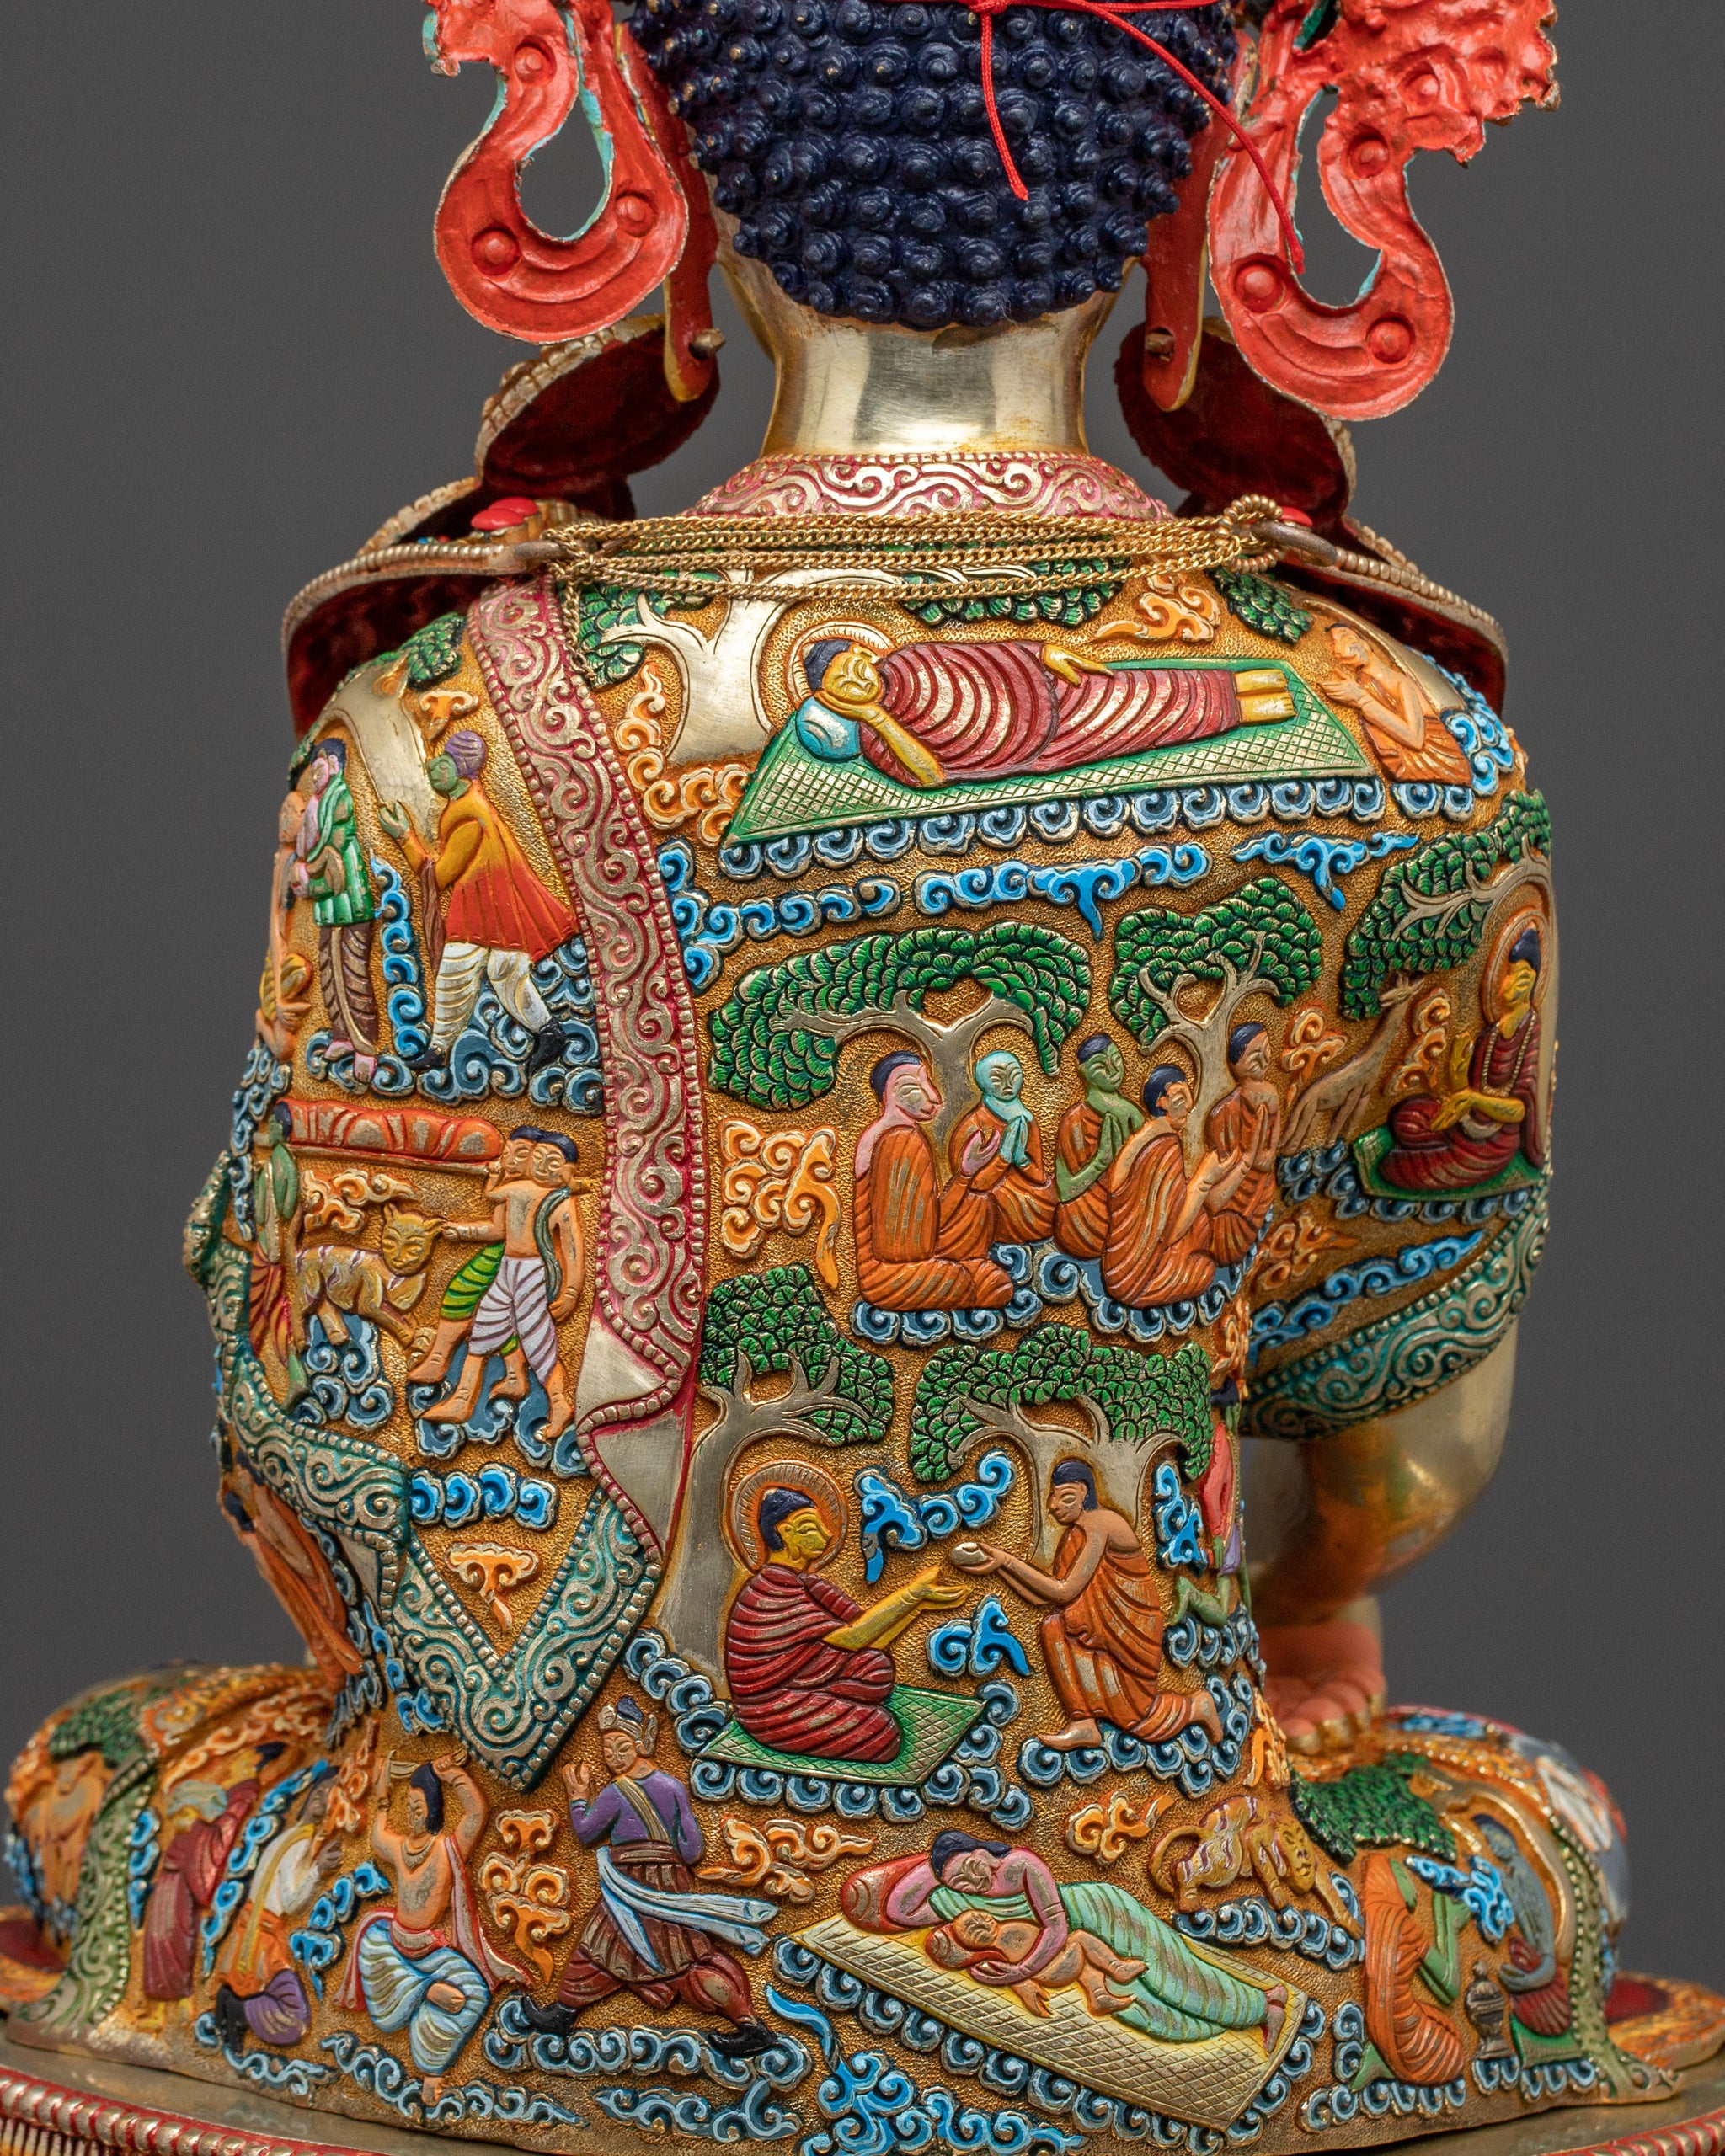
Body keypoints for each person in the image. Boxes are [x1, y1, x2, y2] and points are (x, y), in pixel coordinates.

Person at [514, 1697, 777, 2058]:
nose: (613, 1757)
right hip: (668, 1882)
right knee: (662, 1952)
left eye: (622, 1747)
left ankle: (564, 2013)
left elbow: (586, 1833)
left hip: (630, 1882)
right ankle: (748, 2023)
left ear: (641, 1744)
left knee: (604, 1945)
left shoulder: (615, 1792)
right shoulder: (673, 1787)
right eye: (608, 1749)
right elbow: (692, 1851)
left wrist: (577, 1798)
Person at [857, 1832, 1286, 2052]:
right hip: (1063, 1948)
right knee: (1141, 2009)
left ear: (983, 1850)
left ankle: (1259, 2005)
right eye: (957, 1881)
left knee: (1171, 1972)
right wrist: (936, 1865)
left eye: (972, 1866)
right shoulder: (961, 1900)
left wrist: (1022, 1970)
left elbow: (1056, 1925)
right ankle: (1224, 2023)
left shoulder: (1020, 1865)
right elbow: (900, 1910)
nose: (973, 1881)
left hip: (1099, 1912)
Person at [952, 1460, 1220, 1750]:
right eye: (1054, 1498)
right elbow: (1043, 1598)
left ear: (1084, 1493)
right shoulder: (1074, 1535)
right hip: (1101, 1628)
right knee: (1054, 1627)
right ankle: (1084, 1723)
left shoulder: (1099, 1524)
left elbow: (1065, 1591)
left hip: (1128, 1629)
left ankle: (1197, 1707)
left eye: (1066, 1498)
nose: (1054, 1506)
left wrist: (1006, 1560)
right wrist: (999, 1567)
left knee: (1138, 1715)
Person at [792, 638, 1284, 792]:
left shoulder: (911, 657)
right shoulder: (880, 744)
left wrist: (1046, 652)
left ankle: (1259, 684)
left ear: (865, 650)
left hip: (1046, 688)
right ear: (834, 702)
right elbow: (931, 775)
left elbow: (987, 654)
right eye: (842, 686)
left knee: (1150, 687)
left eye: (852, 666)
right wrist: (875, 717)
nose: (856, 681)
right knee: (1148, 723)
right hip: (1048, 744)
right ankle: (1251, 708)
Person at [378, 730, 576, 1080]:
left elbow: (439, 876)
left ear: (461, 770)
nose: (434, 768)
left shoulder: (469, 816)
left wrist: (405, 838)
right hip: (495, 903)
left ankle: (443, 1048)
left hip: (484, 907)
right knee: (503, 971)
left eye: (445, 763)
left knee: (460, 971)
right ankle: (543, 1032)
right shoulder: (464, 806)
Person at [338, 1753, 528, 2106]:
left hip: (431, 1950)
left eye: (419, 1807)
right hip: (394, 1942)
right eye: (409, 1807)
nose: (413, 1814)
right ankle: (424, 1988)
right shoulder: (401, 1848)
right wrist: (382, 1797)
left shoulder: (446, 1848)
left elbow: (476, 1814)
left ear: (434, 1811)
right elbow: (378, 1838)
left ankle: (432, 2070)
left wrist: (453, 1775)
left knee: (473, 1994)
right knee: (369, 1943)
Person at [723, 1487, 965, 1763]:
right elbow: (853, 1638)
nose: (826, 1534)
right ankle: (826, 1708)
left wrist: (917, 1607)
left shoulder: (810, 1584)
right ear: (786, 1533)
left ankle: (826, 1703)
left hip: (806, 1683)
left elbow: (867, 1637)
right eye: (810, 1527)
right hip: (769, 1707)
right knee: (881, 1734)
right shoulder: (770, 1590)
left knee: (877, 1667)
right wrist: (911, 1595)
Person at [421, 1128, 585, 1439]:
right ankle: (462, 1399)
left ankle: (559, 1403)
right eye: (539, 1158)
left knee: (536, 1338)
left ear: (567, 1171)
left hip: (533, 1274)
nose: (543, 1167)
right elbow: (493, 1201)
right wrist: (494, 1177)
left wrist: (571, 1290)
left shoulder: (560, 1204)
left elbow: (572, 1250)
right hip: (508, 1268)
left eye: (553, 1162)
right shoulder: (516, 1189)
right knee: (483, 1325)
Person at [1380, 926, 1546, 1193]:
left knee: (1395, 1166)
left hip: (1493, 1142)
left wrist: (1472, 1099)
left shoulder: (1531, 1031)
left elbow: (1520, 1110)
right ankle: (1442, 1147)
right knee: (1407, 1118)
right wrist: (1458, 1072)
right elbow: (1466, 1093)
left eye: (1514, 975)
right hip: (1466, 1124)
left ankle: (1444, 1158)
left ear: (1528, 981)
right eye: (1506, 973)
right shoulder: (1490, 1035)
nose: (1505, 982)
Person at [852, 1052, 1013, 1311]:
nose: (934, 1098)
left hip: (918, 1252)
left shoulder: (908, 1135)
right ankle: (966, 1272)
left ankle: (967, 1269)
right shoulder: (898, 1141)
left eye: (927, 1084)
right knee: (972, 1282)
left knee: (977, 1203)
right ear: (896, 1093)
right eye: (916, 1088)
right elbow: (903, 1249)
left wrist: (966, 1173)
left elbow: (927, 1221)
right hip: (888, 1275)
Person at [1097, 1067, 1250, 1309]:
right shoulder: (1163, 1148)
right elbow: (1170, 1232)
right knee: (1205, 1270)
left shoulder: (1145, 1140)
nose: (1188, 1107)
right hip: (1136, 1276)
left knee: (1202, 1223)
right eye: (1180, 1100)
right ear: (1161, 1102)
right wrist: (1204, 1180)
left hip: (1127, 1263)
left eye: (1188, 1099)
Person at [212, 1777, 344, 2051]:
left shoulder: (287, 1837)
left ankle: (231, 2001)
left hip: (249, 1928)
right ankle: (238, 2009)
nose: (322, 1796)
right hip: (264, 1938)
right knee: (295, 2017)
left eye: (330, 1794)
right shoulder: (298, 1842)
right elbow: (292, 1904)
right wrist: (318, 1871)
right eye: (320, 1790)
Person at [405, 1129, 537, 1398]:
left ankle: (439, 1358)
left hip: (518, 1258)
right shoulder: (509, 1185)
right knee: (501, 1314)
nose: (510, 1160)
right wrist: (462, 1231)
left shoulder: (526, 1190)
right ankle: (514, 1374)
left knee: (461, 1292)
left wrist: (464, 1231)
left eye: (521, 1155)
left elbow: (499, 1232)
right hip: (507, 1253)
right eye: (508, 1153)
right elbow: (497, 1227)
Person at [142, 1748, 283, 1999]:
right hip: (167, 1896)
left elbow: (205, 1880)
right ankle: (164, 1995)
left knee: (176, 1942)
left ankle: (176, 1993)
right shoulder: (186, 1837)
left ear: (199, 1810)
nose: (178, 1822)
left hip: (181, 1901)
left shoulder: (205, 1832)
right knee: (160, 1941)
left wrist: (245, 1787)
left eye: (184, 1813)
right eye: (175, 1816)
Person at [290, 739, 381, 1081]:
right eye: (312, 772)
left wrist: (309, 878)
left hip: (348, 898)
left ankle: (366, 1046)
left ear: (334, 765)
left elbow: (334, 850)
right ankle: (342, 1034)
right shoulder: (318, 803)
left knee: (352, 968)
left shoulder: (340, 798)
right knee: (330, 965)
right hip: (329, 904)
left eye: (319, 769)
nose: (315, 777)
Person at [1319, 619, 1474, 788]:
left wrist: (1362, 700)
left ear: (1364, 644)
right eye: (1335, 643)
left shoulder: (1401, 682)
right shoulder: (1365, 682)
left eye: (1346, 638)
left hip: (1438, 758)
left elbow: (1415, 739)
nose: (1339, 648)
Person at [926, 1906, 1145, 2020]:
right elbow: (1012, 1978)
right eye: (972, 1931)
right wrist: (1027, 1990)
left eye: (978, 1916)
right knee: (1080, 1939)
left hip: (1058, 1960)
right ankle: (1117, 1968)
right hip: (1053, 1969)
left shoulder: (1004, 1928)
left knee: (1087, 1967)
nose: (981, 1923)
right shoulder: (994, 1955)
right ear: (971, 1947)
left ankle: (1099, 1997)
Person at [940, 1051, 1056, 1252]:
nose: (1008, 1084)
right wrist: (1003, 1157)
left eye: (1014, 1075)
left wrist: (1021, 1160)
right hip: (991, 1193)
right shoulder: (974, 1124)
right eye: (997, 1078)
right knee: (989, 1203)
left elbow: (1038, 1176)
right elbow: (973, 1184)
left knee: (1050, 1199)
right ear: (983, 1082)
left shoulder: (1027, 1119)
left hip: (1026, 1191)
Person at [1051, 1034, 1143, 1261]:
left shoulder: (1133, 1114)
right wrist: (1100, 1163)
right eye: (1101, 1066)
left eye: (1117, 1060)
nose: (1113, 1070)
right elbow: (1064, 1190)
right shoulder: (1074, 1121)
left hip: (1129, 1211)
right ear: (1084, 1073)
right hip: (1087, 1218)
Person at [1201, 1025, 1280, 1265]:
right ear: (1236, 1063)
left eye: (1266, 1051)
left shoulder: (1272, 1096)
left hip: (1262, 1186)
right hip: (1234, 1192)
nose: (1264, 1060)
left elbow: (1270, 1155)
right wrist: (1247, 1161)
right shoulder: (1224, 1113)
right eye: (1255, 1055)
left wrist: (1258, 1159)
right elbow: (1221, 1169)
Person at [248, 1102, 308, 1401]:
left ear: (279, 1130)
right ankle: (289, 1374)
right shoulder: (288, 1165)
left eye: (272, 1126)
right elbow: (288, 1208)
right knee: (274, 1309)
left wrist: (261, 1181)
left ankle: (293, 1376)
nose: (268, 1130)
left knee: (268, 1311)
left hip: (267, 1249)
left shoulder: (271, 1166)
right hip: (281, 1248)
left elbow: (261, 1214)